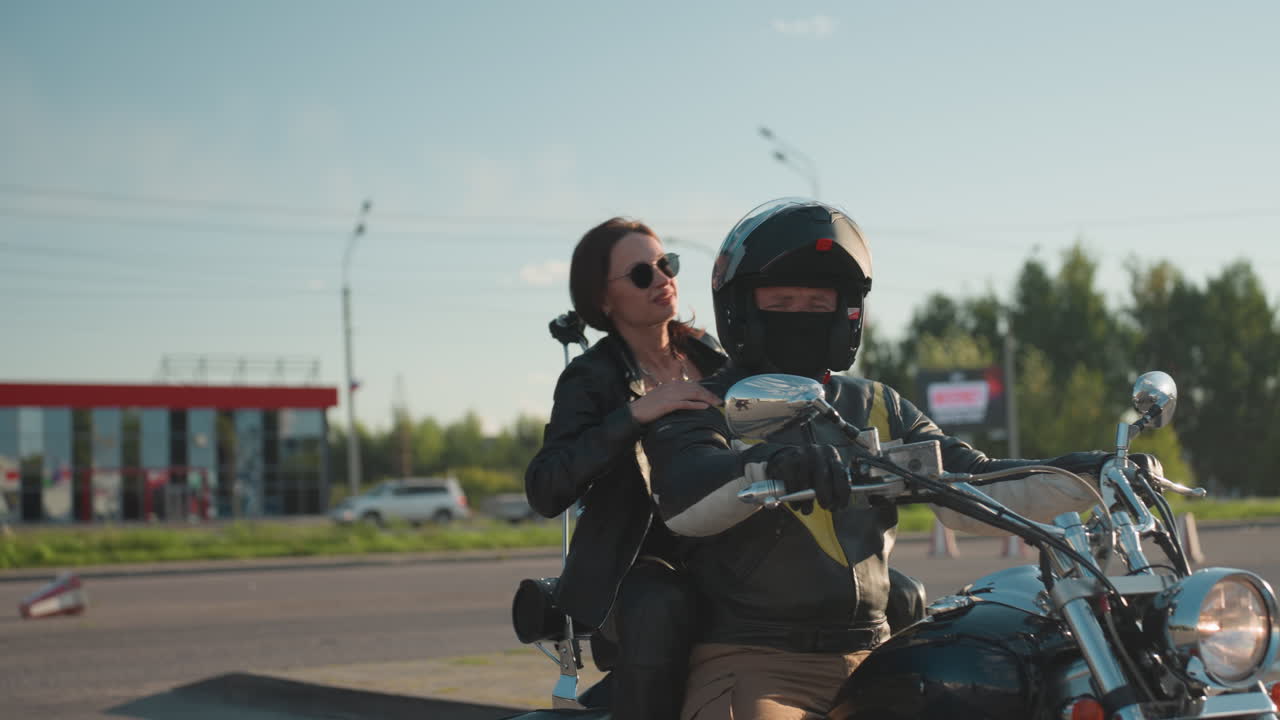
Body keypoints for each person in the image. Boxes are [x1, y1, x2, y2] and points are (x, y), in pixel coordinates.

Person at [642, 198, 1127, 720]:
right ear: (740, 310)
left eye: (817, 303)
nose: (800, 316)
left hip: (878, 657)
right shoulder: (701, 405)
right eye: (781, 301)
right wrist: (769, 464)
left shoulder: (878, 406)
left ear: (847, 311)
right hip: (757, 662)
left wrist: (1095, 474)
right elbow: (686, 499)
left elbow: (968, 482)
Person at [524, 217, 726, 719]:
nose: (662, 278)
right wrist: (635, 414)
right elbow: (546, 487)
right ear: (604, 300)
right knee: (662, 607)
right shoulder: (590, 377)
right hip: (639, 570)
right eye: (641, 274)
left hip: (728, 548)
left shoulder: (713, 354)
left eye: (666, 264)